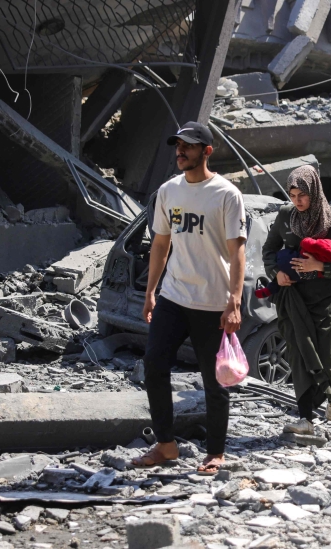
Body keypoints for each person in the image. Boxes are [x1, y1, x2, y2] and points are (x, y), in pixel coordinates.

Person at [131, 121, 246, 475]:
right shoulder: (168, 191)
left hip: (212, 302)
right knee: (154, 364)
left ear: (206, 151)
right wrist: (151, 291)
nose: (180, 151)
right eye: (178, 145)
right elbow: (160, 244)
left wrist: (234, 301)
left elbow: (237, 252)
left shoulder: (226, 195)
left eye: (189, 145)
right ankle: (166, 444)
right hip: (174, 296)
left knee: (215, 380)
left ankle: (215, 452)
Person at [262, 166, 331, 434]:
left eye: (302, 195)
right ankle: (305, 420)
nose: (297, 201)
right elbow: (269, 249)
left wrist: (319, 266)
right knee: (299, 353)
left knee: (329, 353)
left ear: (314, 191)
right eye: (292, 195)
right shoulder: (285, 215)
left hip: (328, 297)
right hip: (295, 296)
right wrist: (276, 273)